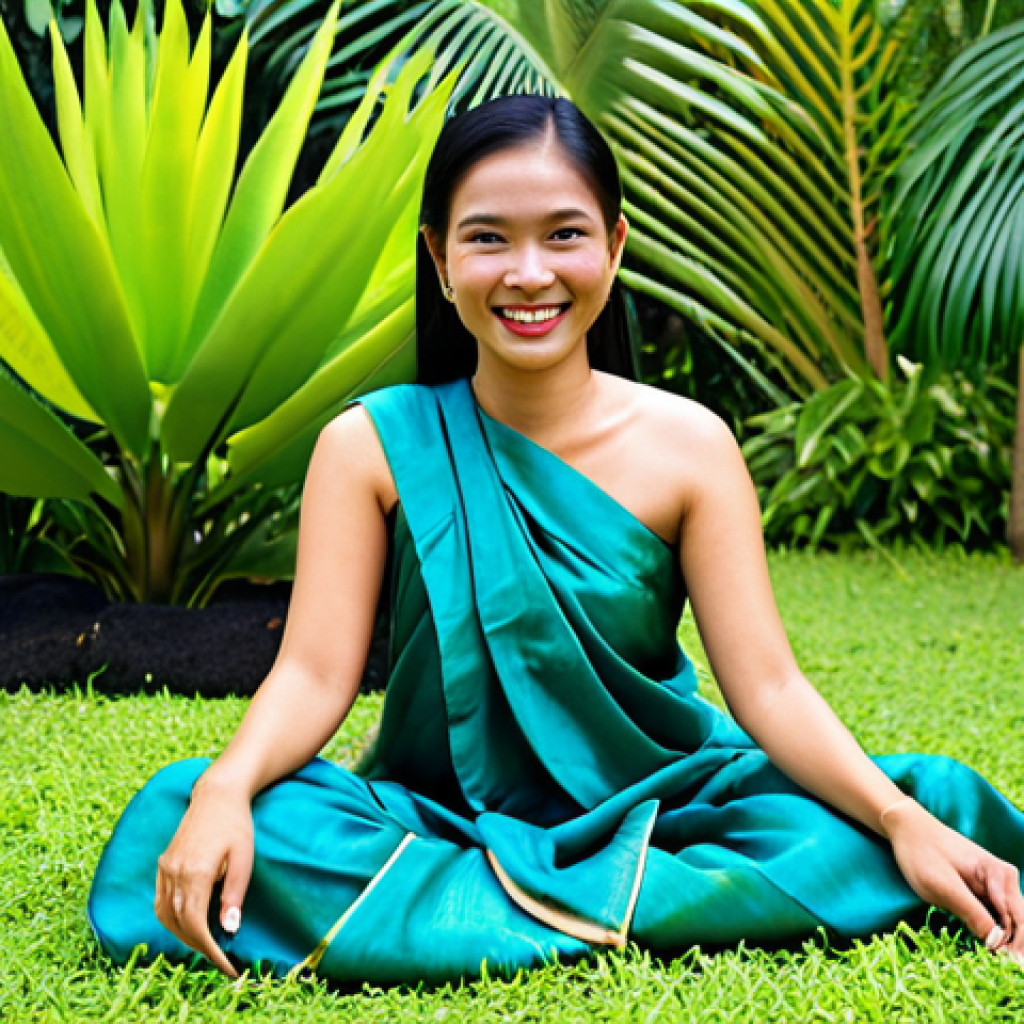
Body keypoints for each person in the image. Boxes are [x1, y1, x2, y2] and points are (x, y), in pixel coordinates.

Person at [89, 94, 1024, 985]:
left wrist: (898, 818)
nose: (528, 273)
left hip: (666, 809)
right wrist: (226, 786)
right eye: (488, 237)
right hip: (437, 819)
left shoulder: (690, 446)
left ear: (613, 247)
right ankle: (634, 910)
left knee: (933, 801)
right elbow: (312, 676)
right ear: (440, 257)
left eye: (564, 235)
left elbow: (768, 687)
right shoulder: (371, 445)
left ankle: (473, 922)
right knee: (177, 812)